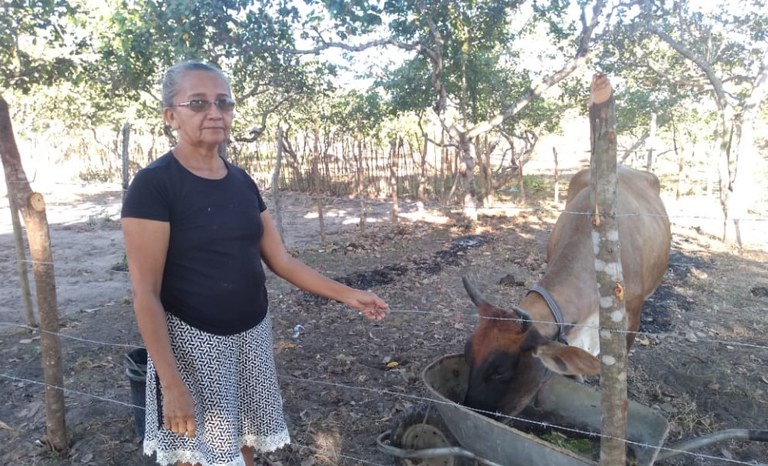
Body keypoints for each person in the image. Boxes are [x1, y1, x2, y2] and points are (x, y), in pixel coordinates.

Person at [121, 60, 389, 466]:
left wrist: (348, 295)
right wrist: (172, 383)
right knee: (198, 455)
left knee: (244, 445)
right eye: (198, 103)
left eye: (223, 102)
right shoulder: (155, 185)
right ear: (170, 116)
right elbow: (146, 293)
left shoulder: (241, 181)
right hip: (194, 345)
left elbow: (280, 260)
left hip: (251, 337)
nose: (214, 112)